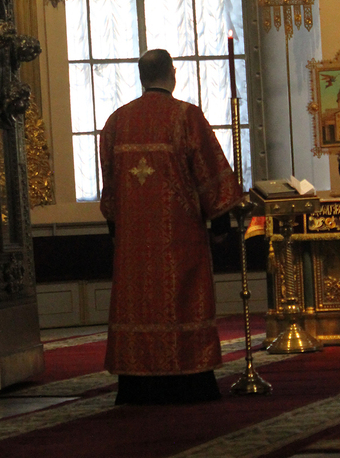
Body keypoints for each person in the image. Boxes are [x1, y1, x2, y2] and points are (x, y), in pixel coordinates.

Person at [99, 49, 244, 405]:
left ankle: (137, 386)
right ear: (172, 74)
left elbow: (111, 186)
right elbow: (211, 175)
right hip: (179, 239)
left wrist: (117, 228)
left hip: (133, 243)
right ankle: (190, 382)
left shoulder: (117, 120)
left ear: (142, 76)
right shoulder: (186, 116)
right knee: (181, 304)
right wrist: (220, 225)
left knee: (139, 307)